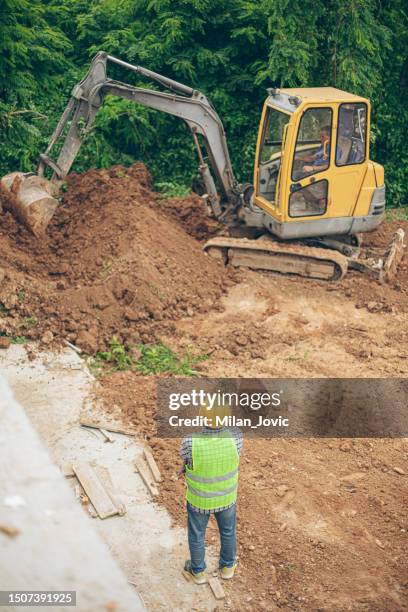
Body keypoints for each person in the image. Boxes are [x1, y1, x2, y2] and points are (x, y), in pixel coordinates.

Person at [180, 403, 243, 585]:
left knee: (197, 535)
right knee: (228, 531)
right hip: (227, 498)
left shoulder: (190, 441)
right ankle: (227, 568)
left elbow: (185, 460)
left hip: (199, 501)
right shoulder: (236, 436)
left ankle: (197, 572)